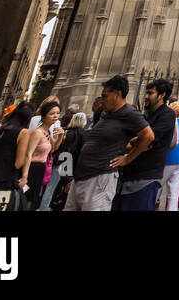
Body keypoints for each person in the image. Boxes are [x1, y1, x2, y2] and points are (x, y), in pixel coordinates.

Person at [65, 75, 154, 211]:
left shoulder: (130, 113)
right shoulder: (106, 114)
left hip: (100, 177)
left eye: (105, 96)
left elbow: (148, 136)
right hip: (82, 176)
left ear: (117, 94)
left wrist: (127, 159)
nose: (102, 101)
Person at [114, 77, 176, 211]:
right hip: (128, 177)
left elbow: (148, 140)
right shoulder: (146, 114)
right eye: (146, 93)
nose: (145, 97)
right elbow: (129, 138)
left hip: (146, 178)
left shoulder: (167, 114)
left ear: (162, 95)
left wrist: (133, 147)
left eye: (150, 93)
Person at [22, 101, 61, 210]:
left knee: (33, 201)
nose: (55, 116)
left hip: (40, 169)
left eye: (57, 113)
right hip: (32, 169)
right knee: (26, 201)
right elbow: (28, 154)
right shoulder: (38, 132)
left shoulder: (47, 131)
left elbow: (54, 148)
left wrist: (61, 136)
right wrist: (24, 177)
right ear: (44, 115)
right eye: (52, 113)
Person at [43, 112, 86, 211]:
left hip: (61, 161)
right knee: (66, 189)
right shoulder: (84, 135)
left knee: (51, 187)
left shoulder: (65, 132)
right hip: (73, 165)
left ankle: (44, 208)